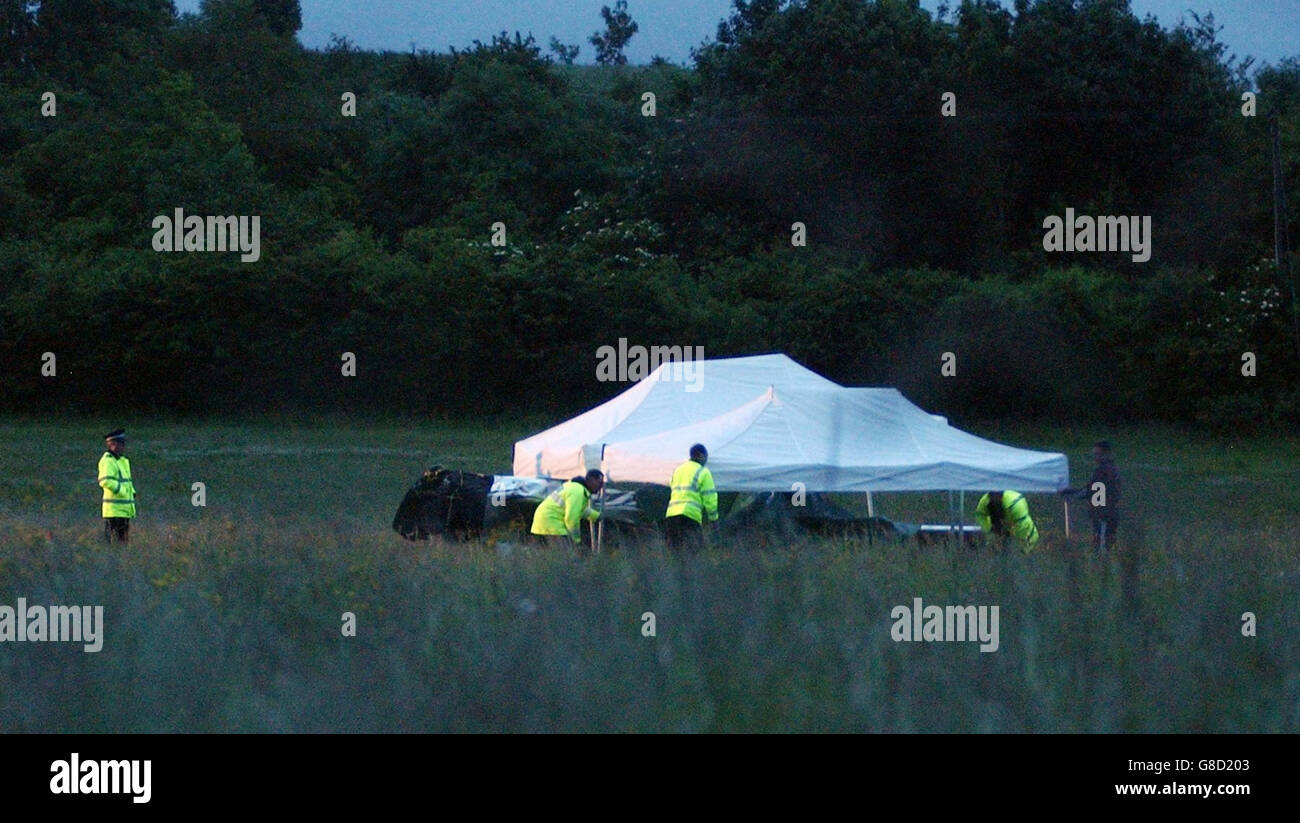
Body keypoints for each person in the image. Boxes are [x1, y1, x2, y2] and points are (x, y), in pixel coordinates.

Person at [1062, 441, 1121, 551]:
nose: (1095, 457)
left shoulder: (1103, 471)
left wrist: (1071, 494)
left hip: (1104, 516)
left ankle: (1103, 566)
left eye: (1097, 454)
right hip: (1108, 514)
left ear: (1106, 454)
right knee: (1105, 544)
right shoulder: (1111, 469)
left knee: (1102, 547)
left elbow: (1091, 491)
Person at [664, 444, 718, 551]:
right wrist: (714, 519)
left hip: (671, 515)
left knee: (675, 552)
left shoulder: (678, 470)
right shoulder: (703, 472)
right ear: (701, 456)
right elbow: (710, 498)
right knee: (694, 551)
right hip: (689, 517)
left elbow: (672, 487)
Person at [530, 470, 604, 548]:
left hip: (544, 519)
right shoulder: (578, 492)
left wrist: (596, 516)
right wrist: (576, 539)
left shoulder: (575, 487)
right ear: (591, 480)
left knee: (552, 555)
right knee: (564, 555)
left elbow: (580, 510)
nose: (600, 486)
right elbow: (571, 518)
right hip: (552, 522)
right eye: (599, 483)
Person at [98, 428, 136, 544]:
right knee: (112, 542)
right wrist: (123, 491)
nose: (123, 446)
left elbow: (127, 481)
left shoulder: (123, 461)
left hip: (123, 510)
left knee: (122, 542)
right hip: (114, 510)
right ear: (112, 444)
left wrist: (132, 492)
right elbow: (105, 481)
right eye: (121, 443)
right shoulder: (108, 461)